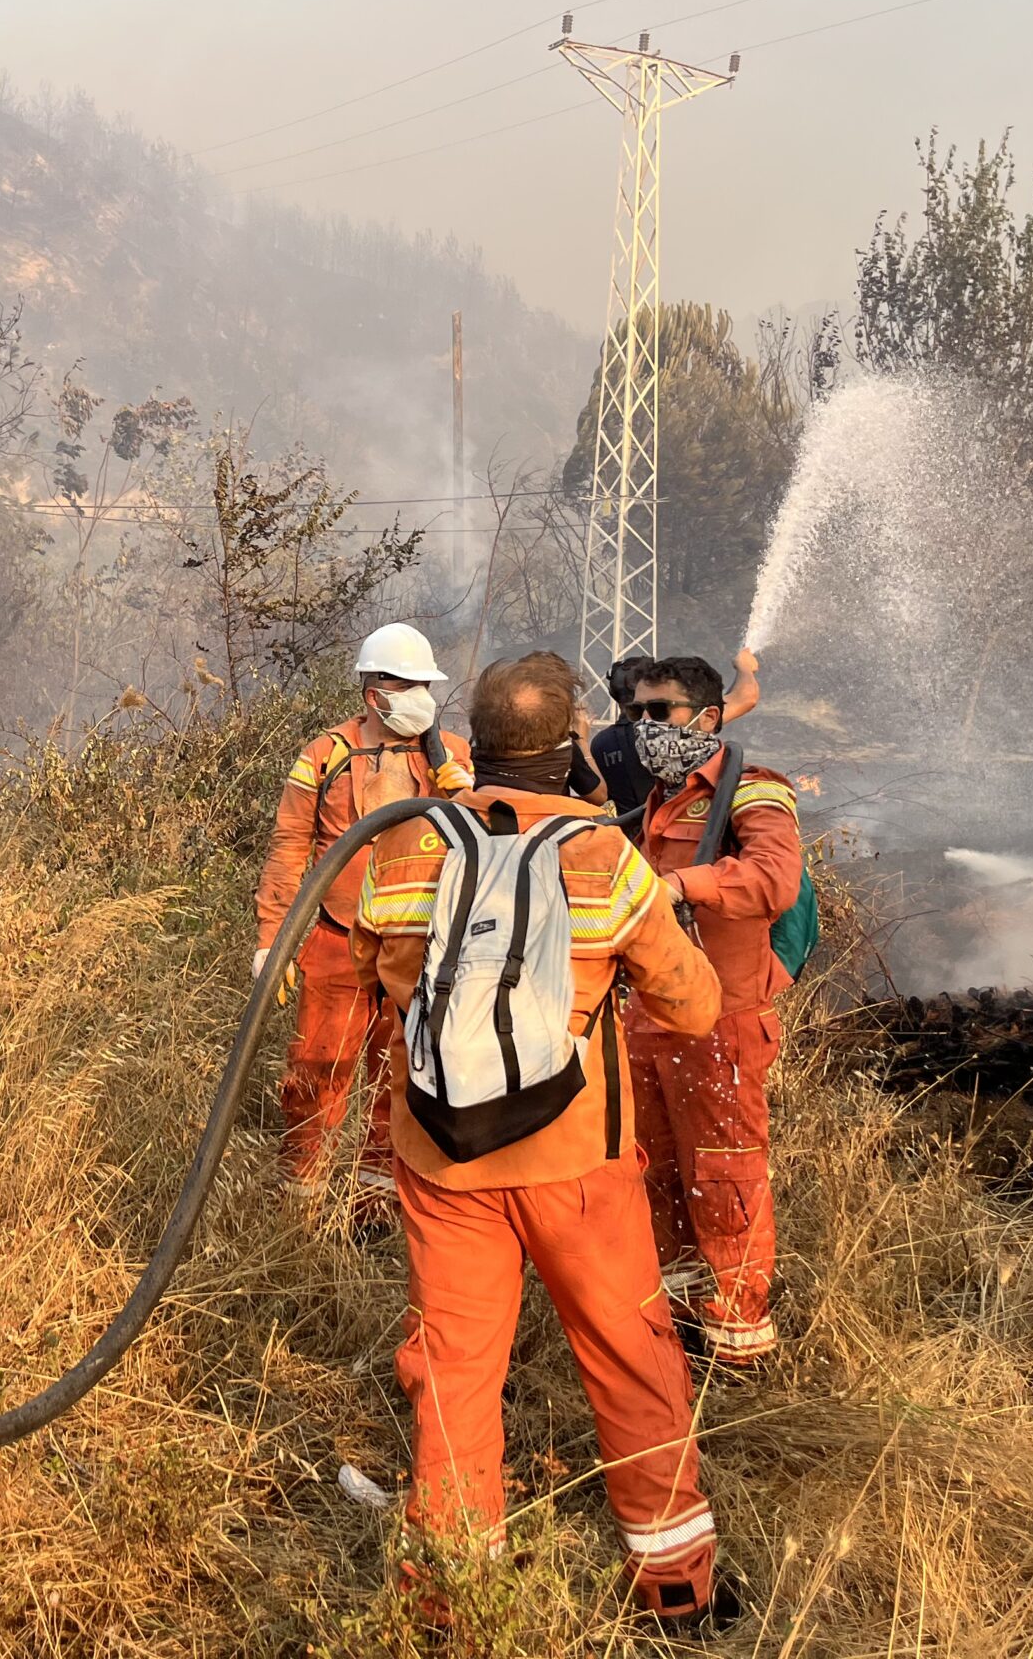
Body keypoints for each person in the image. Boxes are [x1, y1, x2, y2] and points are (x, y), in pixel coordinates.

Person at [353, 655, 733, 1628]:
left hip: (442, 1161)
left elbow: (381, 973)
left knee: (455, 1371)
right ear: (569, 749)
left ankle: (446, 1599)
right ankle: (676, 1590)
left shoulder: (402, 849)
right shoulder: (604, 858)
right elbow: (693, 1008)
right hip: (576, 1165)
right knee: (629, 1353)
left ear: (470, 742)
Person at [253, 623, 473, 1214]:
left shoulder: (451, 755)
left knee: (399, 1078)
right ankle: (299, 1203)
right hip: (335, 939)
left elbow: (487, 851)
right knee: (316, 1071)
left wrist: (468, 802)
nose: (423, 697)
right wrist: (271, 940)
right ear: (375, 693)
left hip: (420, 948)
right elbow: (289, 845)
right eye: (410, 684)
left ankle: (373, 1209)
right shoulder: (325, 755)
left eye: (427, 685)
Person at [621, 653, 802, 1369]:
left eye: (657, 712)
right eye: (635, 712)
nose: (643, 726)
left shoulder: (754, 792)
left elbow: (772, 880)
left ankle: (736, 1347)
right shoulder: (660, 796)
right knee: (655, 1174)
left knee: (724, 1177)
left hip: (720, 1024)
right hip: (651, 1018)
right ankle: (680, 1327)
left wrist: (681, 886)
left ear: (705, 717)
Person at [591, 647, 760, 821]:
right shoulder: (675, 724)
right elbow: (746, 697)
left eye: (660, 710)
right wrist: (745, 668)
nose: (647, 723)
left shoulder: (601, 743)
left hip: (629, 837)